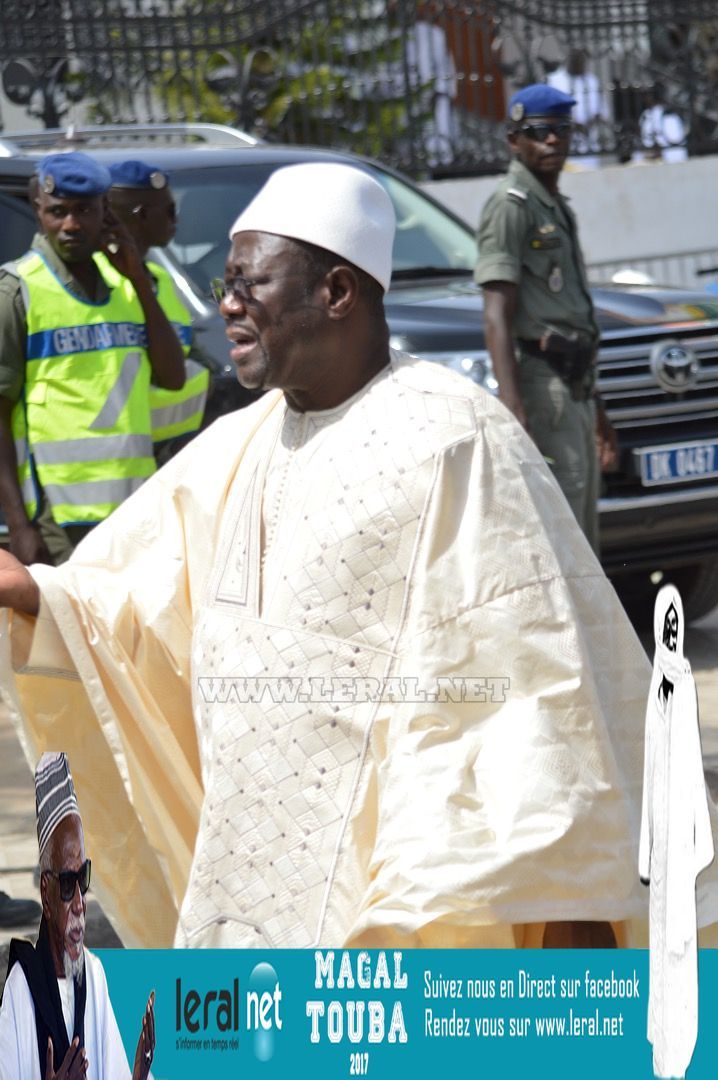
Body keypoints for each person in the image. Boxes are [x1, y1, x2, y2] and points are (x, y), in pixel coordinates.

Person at [2, 162, 718, 953]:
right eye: (224, 285)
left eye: (249, 283)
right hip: (262, 883)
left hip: (412, 888)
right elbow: (134, 598)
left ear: (337, 292)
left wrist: (572, 954)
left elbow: (543, 703)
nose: (228, 307)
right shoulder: (244, 442)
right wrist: (35, 594)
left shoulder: (455, 439)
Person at [0, 152, 186, 568]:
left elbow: (172, 378)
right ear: (38, 211)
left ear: (105, 211)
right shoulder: (17, 291)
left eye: (84, 211)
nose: (71, 225)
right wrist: (19, 525)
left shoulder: (127, 283)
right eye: (58, 212)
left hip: (133, 511)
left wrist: (138, 279)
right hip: (58, 520)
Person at [475, 84, 617, 553]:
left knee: (584, 531)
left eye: (560, 130)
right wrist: (514, 410)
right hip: (542, 388)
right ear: (513, 140)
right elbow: (497, 316)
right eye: (538, 132)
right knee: (562, 537)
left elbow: (575, 317)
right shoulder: (511, 206)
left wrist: (597, 406)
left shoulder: (553, 205)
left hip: (575, 385)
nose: (553, 141)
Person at [0, 753, 155, 1080]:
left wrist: (139, 1073)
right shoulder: (21, 988)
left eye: (82, 878)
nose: (80, 903)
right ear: (46, 891)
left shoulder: (94, 977)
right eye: (68, 884)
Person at [640, 587, 713, 1079]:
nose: (669, 630)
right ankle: (661, 1048)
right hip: (661, 845)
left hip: (682, 838)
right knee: (659, 951)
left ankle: (682, 1049)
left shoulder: (685, 685)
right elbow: (649, 768)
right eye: (663, 622)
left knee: (681, 951)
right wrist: (646, 855)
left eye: (675, 622)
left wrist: (700, 843)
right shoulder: (656, 689)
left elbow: (691, 768)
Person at [103, 161, 209, 456]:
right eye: (170, 211)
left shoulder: (159, 280)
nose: (176, 220)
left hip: (169, 452)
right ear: (143, 215)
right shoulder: (101, 282)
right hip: (118, 454)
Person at [546, 49, 612, 169]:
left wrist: (589, 125)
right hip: (566, 136)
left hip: (590, 136)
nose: (580, 65)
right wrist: (573, 125)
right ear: (568, 61)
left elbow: (601, 110)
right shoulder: (554, 80)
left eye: (582, 62)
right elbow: (550, 110)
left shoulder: (591, 80)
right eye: (576, 61)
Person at [632, 84, 688, 164]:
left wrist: (657, 152)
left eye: (647, 95)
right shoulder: (646, 115)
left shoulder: (668, 115)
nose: (644, 99)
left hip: (668, 161)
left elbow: (672, 140)